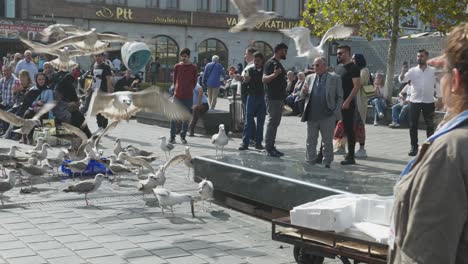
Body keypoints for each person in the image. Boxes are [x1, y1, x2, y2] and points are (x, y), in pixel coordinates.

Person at [388, 23, 468, 264]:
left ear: (453, 80)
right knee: (414, 129)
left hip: (427, 106)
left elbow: (425, 256)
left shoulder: (451, 151)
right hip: (415, 103)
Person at [399, 49, 442, 156]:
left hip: (429, 101)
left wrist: (440, 98)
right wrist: (403, 72)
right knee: (413, 125)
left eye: (422, 56)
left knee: (430, 125)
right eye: (418, 56)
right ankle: (414, 147)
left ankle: (429, 147)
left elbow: (438, 84)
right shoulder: (412, 70)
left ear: (426, 57)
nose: (419, 58)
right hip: (415, 101)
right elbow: (402, 80)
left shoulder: (433, 71)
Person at [302, 57, 343, 168]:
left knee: (327, 141)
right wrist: (303, 92)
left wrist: (336, 112)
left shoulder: (335, 78)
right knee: (310, 140)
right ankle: (310, 160)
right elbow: (302, 95)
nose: (315, 67)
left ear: (325, 66)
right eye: (314, 65)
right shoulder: (309, 78)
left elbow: (340, 97)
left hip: (327, 115)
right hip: (312, 114)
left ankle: (327, 162)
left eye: (318, 65)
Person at [335, 45, 361, 165]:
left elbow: (357, 86)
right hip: (336, 103)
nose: (338, 55)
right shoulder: (339, 68)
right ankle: (325, 151)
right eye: (337, 53)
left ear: (348, 53)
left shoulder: (354, 68)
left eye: (340, 53)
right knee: (331, 127)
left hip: (347, 104)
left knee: (349, 129)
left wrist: (348, 101)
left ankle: (351, 156)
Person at [263, 43, 288, 158]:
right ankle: (269, 147)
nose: (286, 53)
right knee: (272, 122)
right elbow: (264, 79)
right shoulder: (270, 63)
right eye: (284, 51)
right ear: (279, 51)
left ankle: (271, 146)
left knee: (275, 123)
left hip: (278, 98)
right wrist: (274, 74)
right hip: (273, 98)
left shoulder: (278, 63)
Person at [238, 52, 266, 150]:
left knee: (260, 122)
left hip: (262, 98)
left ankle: (258, 143)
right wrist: (244, 81)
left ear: (262, 61)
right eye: (255, 60)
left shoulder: (265, 71)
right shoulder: (249, 70)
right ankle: (245, 143)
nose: (256, 62)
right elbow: (244, 85)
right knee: (248, 121)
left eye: (258, 60)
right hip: (251, 97)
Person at [169, 48, 198, 144]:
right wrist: (175, 91)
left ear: (189, 56)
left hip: (188, 96)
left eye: (185, 56)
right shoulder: (177, 66)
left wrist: (188, 88)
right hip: (177, 95)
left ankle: (183, 136)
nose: (183, 58)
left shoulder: (193, 67)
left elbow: (195, 82)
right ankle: (172, 137)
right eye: (182, 56)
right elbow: (174, 80)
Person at [53, 73, 92, 138]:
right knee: (77, 117)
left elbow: (75, 101)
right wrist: (68, 104)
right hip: (60, 111)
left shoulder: (66, 87)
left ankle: (86, 135)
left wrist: (76, 103)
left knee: (80, 117)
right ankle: (84, 135)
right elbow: (57, 102)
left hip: (71, 110)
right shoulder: (58, 89)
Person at [352, 53, 370, 158]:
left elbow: (359, 82)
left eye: (354, 59)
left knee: (360, 125)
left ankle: (362, 148)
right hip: (351, 100)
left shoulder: (364, 70)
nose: (352, 60)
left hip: (359, 100)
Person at [90, 52, 113, 134]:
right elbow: (93, 78)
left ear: (103, 57)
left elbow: (109, 80)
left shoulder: (106, 67)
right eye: (96, 56)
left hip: (103, 92)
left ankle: (104, 127)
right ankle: (100, 127)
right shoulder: (94, 66)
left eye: (99, 56)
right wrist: (89, 88)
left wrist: (109, 93)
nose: (97, 57)